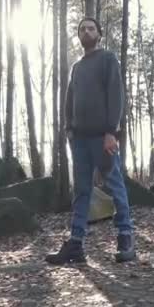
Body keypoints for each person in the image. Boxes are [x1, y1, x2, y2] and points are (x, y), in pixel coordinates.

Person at [45, 17, 136, 265]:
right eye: (82, 29)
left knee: (115, 185)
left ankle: (126, 238)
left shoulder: (107, 60)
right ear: (79, 36)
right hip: (80, 141)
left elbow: (116, 95)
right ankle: (76, 244)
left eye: (91, 28)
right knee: (81, 192)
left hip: (102, 138)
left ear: (99, 34)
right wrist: (69, 130)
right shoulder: (77, 67)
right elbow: (69, 101)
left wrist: (111, 131)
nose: (86, 31)